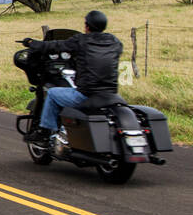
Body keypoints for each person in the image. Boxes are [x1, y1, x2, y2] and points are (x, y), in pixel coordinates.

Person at [25, 10, 123, 142]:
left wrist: (32, 43)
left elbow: (55, 46)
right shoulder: (115, 41)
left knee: (52, 93)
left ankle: (43, 132)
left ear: (87, 26)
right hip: (111, 95)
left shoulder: (81, 40)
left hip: (86, 95)